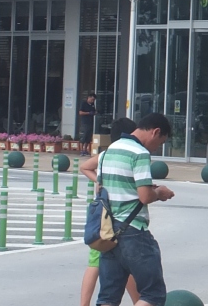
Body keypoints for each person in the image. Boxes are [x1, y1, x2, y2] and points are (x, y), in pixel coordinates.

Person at [82, 113, 177, 306]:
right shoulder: (140, 153)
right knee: (153, 294)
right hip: (133, 231)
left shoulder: (109, 151)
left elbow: (108, 187)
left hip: (109, 232)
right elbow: (145, 196)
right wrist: (159, 193)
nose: (156, 148)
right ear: (155, 132)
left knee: (108, 297)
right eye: (160, 142)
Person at [79, 118, 140, 306]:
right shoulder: (126, 155)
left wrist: (99, 180)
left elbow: (84, 166)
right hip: (118, 217)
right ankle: (140, 301)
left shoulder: (106, 155)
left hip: (101, 215)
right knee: (124, 263)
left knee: (97, 262)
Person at [79, 93, 98, 157]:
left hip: (90, 122)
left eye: (94, 100)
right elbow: (80, 112)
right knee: (83, 136)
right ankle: (81, 150)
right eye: (92, 99)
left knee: (88, 137)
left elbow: (94, 111)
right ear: (88, 98)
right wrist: (88, 113)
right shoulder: (84, 103)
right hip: (85, 122)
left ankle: (85, 150)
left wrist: (95, 113)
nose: (92, 101)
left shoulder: (92, 105)